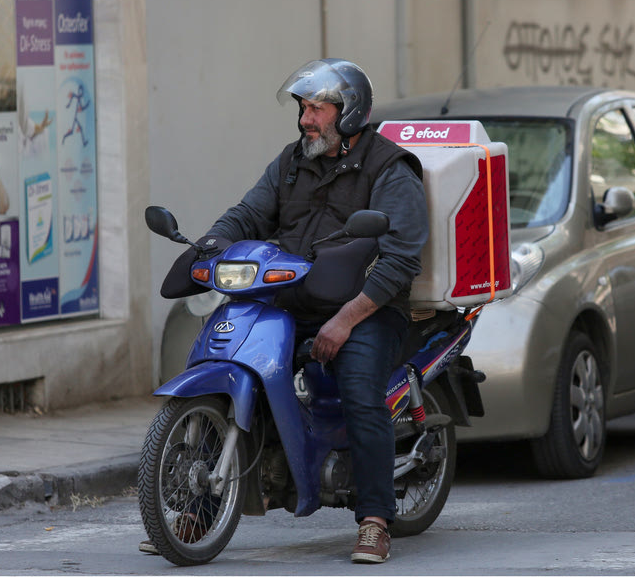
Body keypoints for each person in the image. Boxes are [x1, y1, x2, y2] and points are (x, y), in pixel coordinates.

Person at [141, 58, 427, 564]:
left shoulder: (390, 168)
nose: (305, 120)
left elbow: (401, 259)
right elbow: (251, 211)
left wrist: (346, 319)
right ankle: (200, 511)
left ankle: (376, 518)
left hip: (365, 308)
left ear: (350, 112)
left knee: (360, 390)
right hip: (290, 298)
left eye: (317, 109)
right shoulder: (292, 161)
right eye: (303, 108)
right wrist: (215, 241)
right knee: (224, 367)